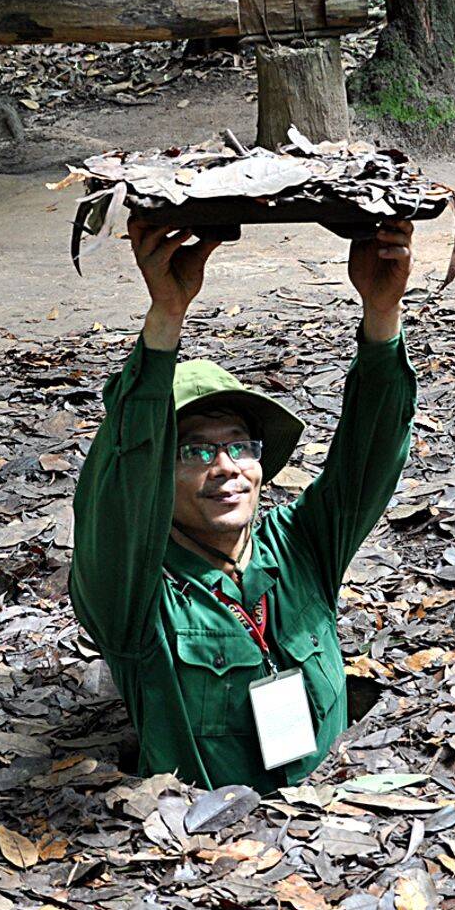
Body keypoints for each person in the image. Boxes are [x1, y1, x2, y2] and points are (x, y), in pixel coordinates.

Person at [70, 216, 418, 793]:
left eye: (239, 445)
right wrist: (165, 319)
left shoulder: (300, 547)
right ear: (158, 475)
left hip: (339, 819)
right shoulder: (133, 592)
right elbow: (118, 486)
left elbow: (370, 458)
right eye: (195, 451)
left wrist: (381, 318)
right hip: (213, 852)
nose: (226, 466)